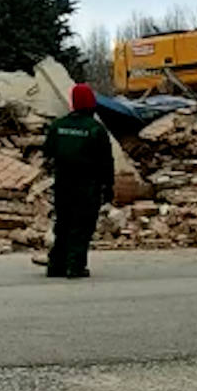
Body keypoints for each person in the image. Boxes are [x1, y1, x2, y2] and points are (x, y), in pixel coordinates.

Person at [40, 83, 113, 279]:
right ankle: (75, 266)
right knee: (81, 226)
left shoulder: (58, 125)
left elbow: (47, 153)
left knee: (63, 224)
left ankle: (55, 265)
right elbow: (106, 162)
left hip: (63, 183)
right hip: (87, 186)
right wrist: (108, 188)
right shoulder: (96, 129)